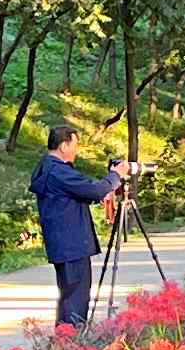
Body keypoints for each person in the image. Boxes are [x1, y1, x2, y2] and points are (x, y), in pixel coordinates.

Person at [30, 123, 134, 334]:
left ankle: (65, 341)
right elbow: (93, 190)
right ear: (63, 146)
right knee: (75, 298)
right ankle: (71, 344)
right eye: (75, 145)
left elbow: (81, 192)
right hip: (72, 244)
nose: (77, 150)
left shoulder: (48, 168)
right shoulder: (58, 171)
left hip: (64, 243)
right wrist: (115, 176)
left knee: (69, 295)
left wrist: (103, 188)